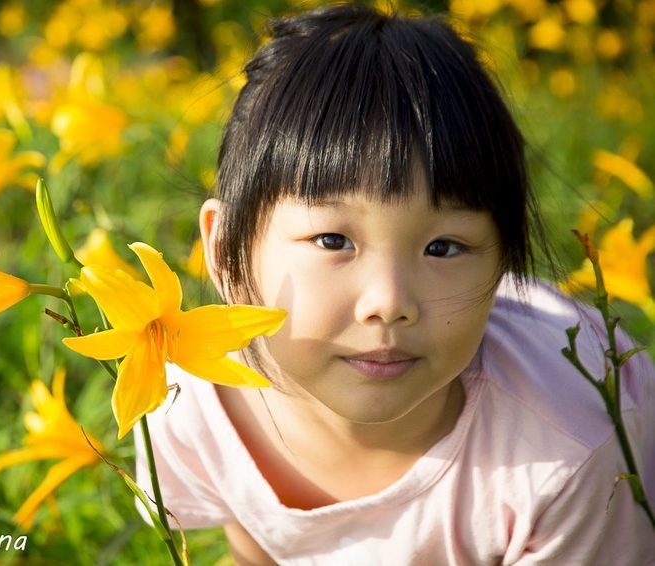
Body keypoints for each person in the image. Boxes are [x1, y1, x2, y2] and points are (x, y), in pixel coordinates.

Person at [135, 4, 655, 564]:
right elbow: (256, 546)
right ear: (225, 252)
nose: (389, 303)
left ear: (502, 265)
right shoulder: (181, 407)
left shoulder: (569, 455)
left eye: (443, 248)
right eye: (333, 241)